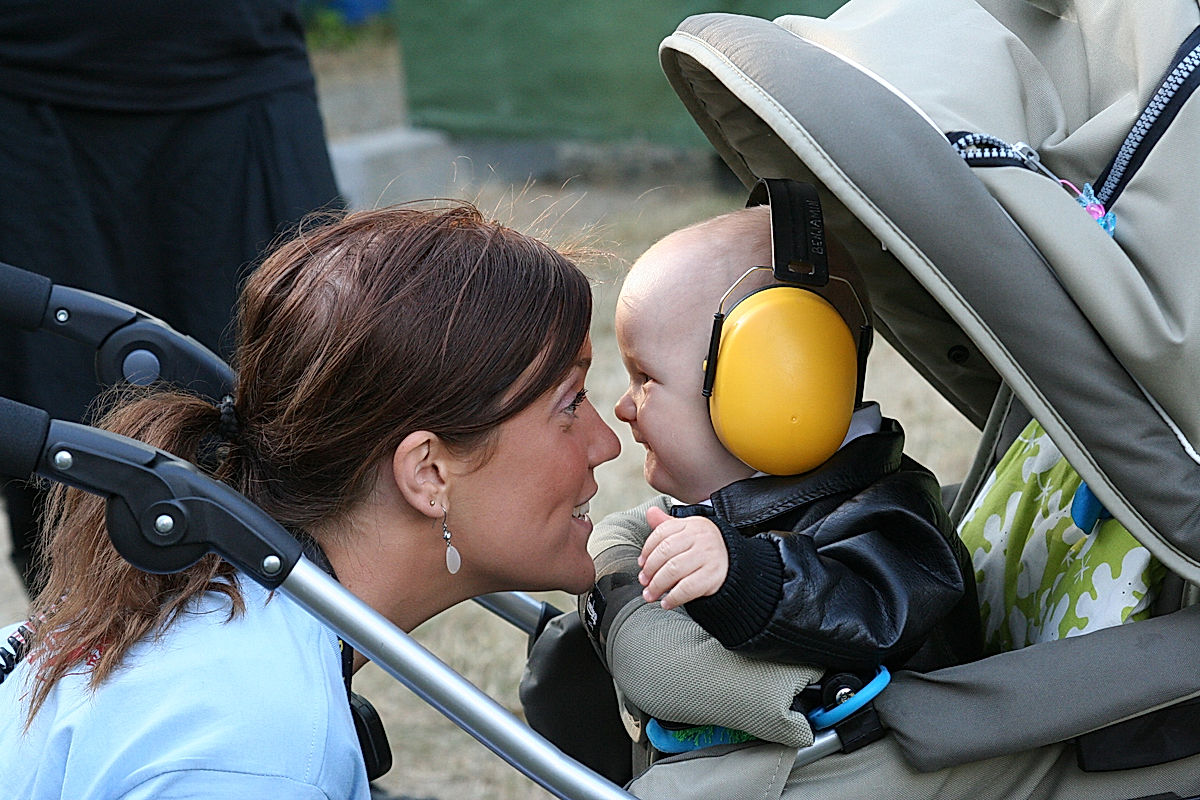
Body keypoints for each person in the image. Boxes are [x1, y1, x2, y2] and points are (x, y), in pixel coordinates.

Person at [0, 203, 622, 798]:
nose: (606, 444)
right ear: (428, 474)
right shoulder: (259, 752)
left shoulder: (217, 614)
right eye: (570, 404)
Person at [579, 199, 981, 758]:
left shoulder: (892, 517)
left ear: (772, 379)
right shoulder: (763, 492)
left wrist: (746, 577)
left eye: (645, 378)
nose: (624, 407)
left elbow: (874, 614)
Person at [0, 0, 343, 595]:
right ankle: (90, 678)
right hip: (27, 93)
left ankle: (308, 677)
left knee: (305, 425)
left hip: (239, 71)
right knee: (59, 463)